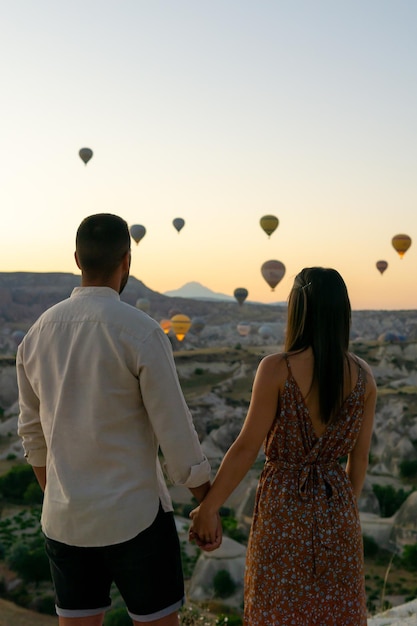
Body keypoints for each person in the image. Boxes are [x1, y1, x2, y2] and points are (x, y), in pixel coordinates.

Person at [16, 213, 221, 626]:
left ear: (77, 258)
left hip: (65, 522)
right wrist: (207, 504)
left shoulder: (36, 334)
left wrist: (61, 496)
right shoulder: (141, 332)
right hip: (136, 521)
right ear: (127, 260)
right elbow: (175, 433)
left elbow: (32, 436)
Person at [189, 267, 376, 625]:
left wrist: (209, 507)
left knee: (278, 609)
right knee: (336, 612)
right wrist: (341, 511)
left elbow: (246, 447)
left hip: (283, 511)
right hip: (338, 512)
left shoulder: (276, 368)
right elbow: (360, 457)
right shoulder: (364, 377)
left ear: (297, 309)